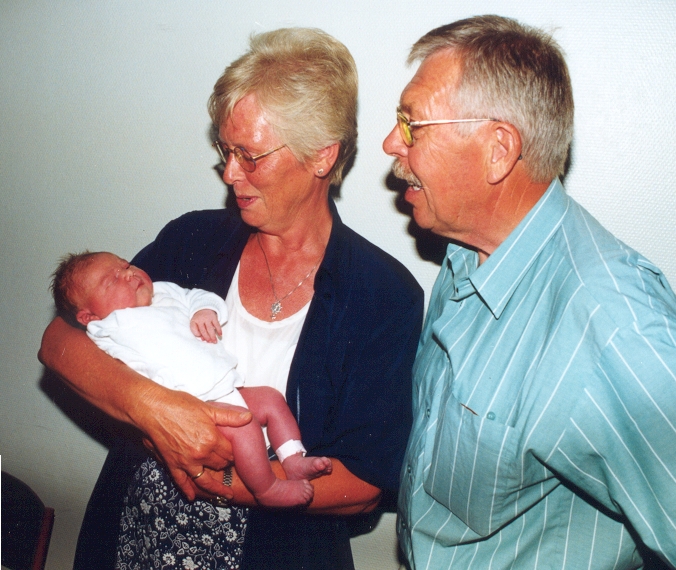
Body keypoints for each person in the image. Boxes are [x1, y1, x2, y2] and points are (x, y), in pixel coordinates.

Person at [39, 28, 423, 569]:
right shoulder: (194, 240)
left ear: (322, 156)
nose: (229, 173)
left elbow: (364, 483)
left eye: (250, 155)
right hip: (134, 534)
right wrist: (154, 410)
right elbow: (60, 341)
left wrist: (219, 476)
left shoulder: (382, 296)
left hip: (274, 549)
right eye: (225, 150)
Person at [383, 15, 676, 570]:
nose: (392, 142)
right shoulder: (465, 253)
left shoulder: (611, 320)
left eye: (412, 123)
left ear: (498, 149)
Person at [52, 250, 333, 508]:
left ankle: (293, 459)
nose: (128, 274)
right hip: (192, 405)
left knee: (271, 399)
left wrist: (203, 310)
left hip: (224, 383)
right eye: (112, 280)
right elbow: (80, 356)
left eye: (126, 266)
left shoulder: (163, 292)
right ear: (89, 316)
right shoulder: (106, 330)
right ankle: (267, 488)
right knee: (244, 427)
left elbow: (196, 296)